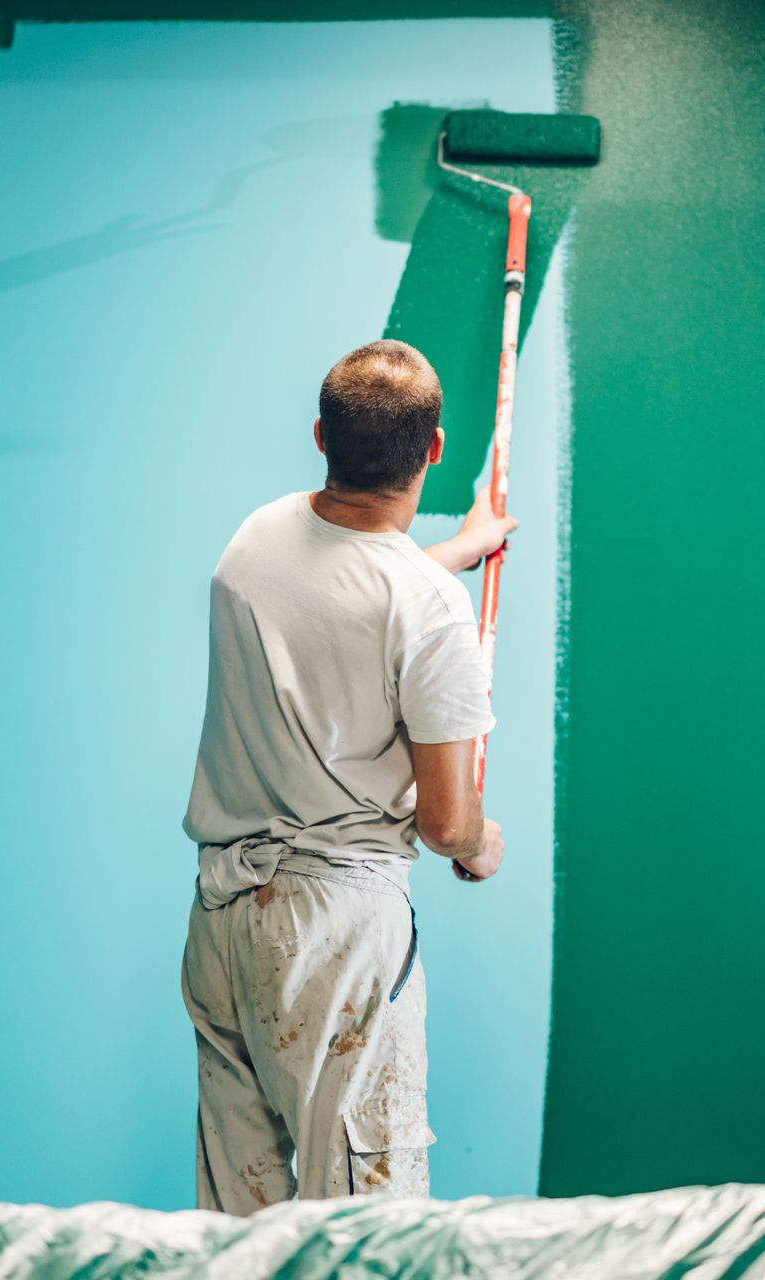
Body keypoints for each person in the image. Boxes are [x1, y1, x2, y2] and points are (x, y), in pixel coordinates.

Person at [179, 338, 515, 1213]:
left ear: (321, 437)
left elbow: (339, 590)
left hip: (223, 923)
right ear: (435, 450)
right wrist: (484, 846)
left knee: (238, 1230)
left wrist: (457, 551)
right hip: (333, 935)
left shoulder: (255, 538)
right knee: (369, 1230)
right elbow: (445, 824)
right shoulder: (429, 614)